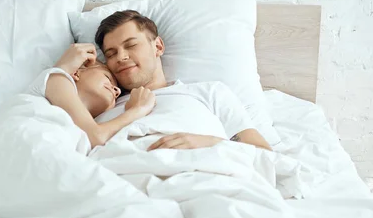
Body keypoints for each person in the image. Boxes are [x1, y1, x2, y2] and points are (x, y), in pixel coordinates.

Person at [94, 10, 272, 151]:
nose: (121, 57)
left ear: (158, 46)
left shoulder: (209, 93)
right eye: (111, 54)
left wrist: (209, 144)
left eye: (131, 45)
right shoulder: (99, 106)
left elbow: (262, 155)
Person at [27, 44, 157, 147]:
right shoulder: (55, 79)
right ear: (76, 73)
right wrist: (138, 110)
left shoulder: (83, 128)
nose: (117, 90)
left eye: (118, 95)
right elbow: (96, 136)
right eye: (108, 78)